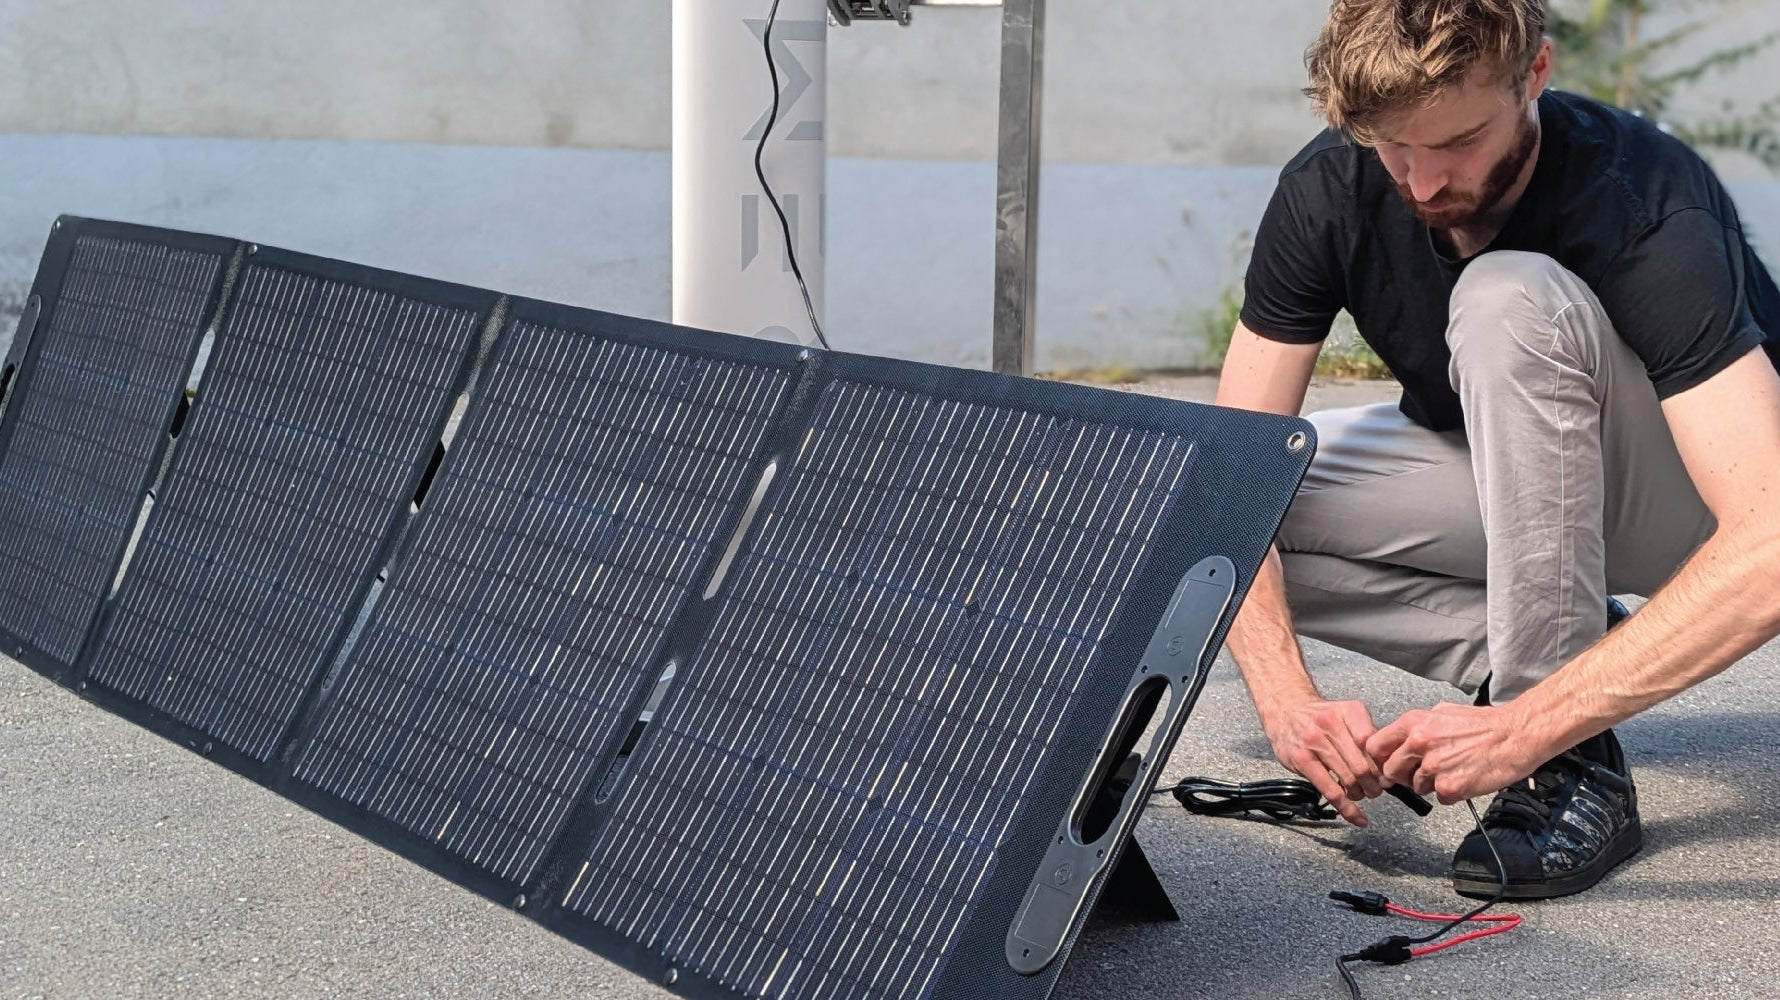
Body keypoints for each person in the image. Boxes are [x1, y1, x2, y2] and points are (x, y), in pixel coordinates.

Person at [1215, 0, 1780, 899]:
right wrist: (1289, 703)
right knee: (1190, 507)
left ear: (1537, 77)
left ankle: (1563, 758)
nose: (1426, 183)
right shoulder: (1329, 186)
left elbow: (1769, 544)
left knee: (1506, 296)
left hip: (1691, 508)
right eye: (1395, 146)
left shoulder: (1640, 195)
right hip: (1519, 490)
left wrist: (1524, 730)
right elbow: (1223, 482)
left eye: (1461, 141)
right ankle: (1560, 645)